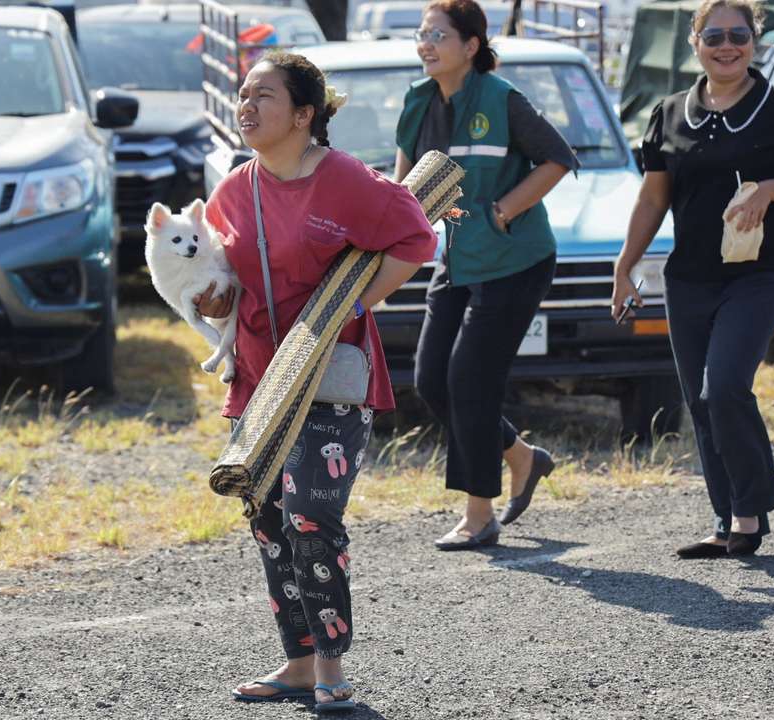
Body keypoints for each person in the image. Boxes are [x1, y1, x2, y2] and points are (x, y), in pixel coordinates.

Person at [194, 52, 437, 709]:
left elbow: (416, 238)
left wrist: (356, 306)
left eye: (263, 96)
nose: (246, 106)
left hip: (331, 380)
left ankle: (332, 666)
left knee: (310, 517)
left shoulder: (346, 181)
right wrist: (212, 300)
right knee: (269, 519)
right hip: (258, 381)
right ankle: (296, 663)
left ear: (304, 115)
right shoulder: (231, 191)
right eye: (242, 95)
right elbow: (218, 277)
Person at [612, 0, 774, 558]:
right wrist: (624, 267)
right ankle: (733, 519)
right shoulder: (668, 113)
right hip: (689, 276)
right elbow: (653, 198)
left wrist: (770, 189)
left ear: (755, 39)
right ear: (695, 41)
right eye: (713, 34)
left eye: (739, 33)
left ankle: (754, 502)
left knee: (725, 386)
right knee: (700, 399)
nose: (727, 44)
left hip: (761, 273)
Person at [394, 0, 577, 550]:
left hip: (515, 261)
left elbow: (558, 157)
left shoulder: (502, 98)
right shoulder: (418, 101)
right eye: (422, 34)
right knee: (431, 379)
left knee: (470, 381)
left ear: (471, 46)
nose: (426, 44)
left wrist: (502, 211)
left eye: (439, 35)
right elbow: (403, 187)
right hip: (459, 260)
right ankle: (522, 458)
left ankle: (479, 515)